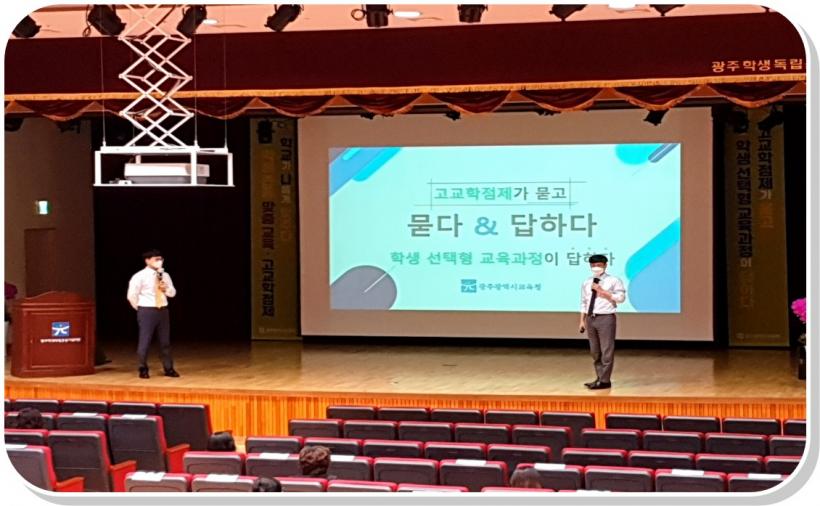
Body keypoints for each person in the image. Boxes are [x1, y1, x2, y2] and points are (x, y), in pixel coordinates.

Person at [127, 249, 180, 379]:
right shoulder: (139, 276)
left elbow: (173, 293)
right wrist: (140, 308)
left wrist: (166, 288)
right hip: (147, 310)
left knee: (165, 342)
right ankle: (143, 368)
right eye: (156, 259)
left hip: (163, 310)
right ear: (147, 260)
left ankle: (168, 368)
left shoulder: (165, 275)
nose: (159, 261)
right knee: (145, 341)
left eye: (161, 259)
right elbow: (132, 295)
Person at [579, 254, 626, 390]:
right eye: (593, 265)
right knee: (595, 351)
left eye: (599, 265)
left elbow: (621, 298)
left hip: (606, 318)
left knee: (606, 350)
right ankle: (599, 378)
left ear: (605, 265)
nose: (596, 268)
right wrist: (582, 321)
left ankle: (605, 380)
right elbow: (584, 302)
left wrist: (602, 291)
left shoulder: (613, 280)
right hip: (590, 318)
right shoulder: (587, 282)